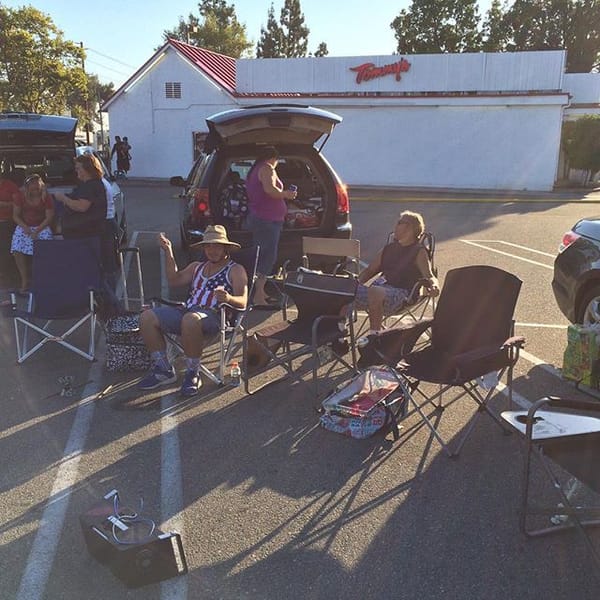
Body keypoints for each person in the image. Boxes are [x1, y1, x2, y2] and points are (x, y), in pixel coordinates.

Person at [138, 225, 248, 397]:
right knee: (147, 317)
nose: (212, 250)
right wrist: (168, 251)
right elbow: (174, 280)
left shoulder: (235, 270)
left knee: (190, 319)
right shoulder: (197, 266)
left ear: (226, 247)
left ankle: (192, 373)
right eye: (208, 246)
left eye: (217, 245)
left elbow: (243, 301)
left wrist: (228, 298)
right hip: (187, 311)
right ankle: (164, 369)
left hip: (215, 316)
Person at [356, 210, 439, 334]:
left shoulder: (418, 251)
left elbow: (429, 275)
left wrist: (434, 286)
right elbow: (369, 271)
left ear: (410, 228)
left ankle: (374, 337)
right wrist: (354, 283)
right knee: (344, 289)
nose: (395, 225)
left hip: (403, 295)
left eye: (399, 222)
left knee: (375, 291)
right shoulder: (388, 248)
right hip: (379, 291)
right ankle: (339, 335)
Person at [245, 145, 297, 308]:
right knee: (267, 257)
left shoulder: (255, 169)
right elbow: (270, 190)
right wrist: (286, 194)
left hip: (262, 218)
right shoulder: (267, 168)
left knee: (262, 253)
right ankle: (258, 296)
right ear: (273, 158)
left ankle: (261, 292)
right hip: (267, 220)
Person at [10, 175, 54, 293]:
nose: (35, 190)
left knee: (45, 247)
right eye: (33, 188)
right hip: (25, 226)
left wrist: (37, 230)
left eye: (37, 188)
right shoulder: (20, 197)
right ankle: (25, 280)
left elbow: (49, 217)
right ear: (27, 188)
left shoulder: (46, 197)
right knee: (17, 248)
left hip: (42, 226)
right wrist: (25, 227)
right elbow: (15, 215)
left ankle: (43, 280)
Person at [0, 171, 20, 287]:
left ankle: (10, 278)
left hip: (8, 222)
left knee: (6, 249)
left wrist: (4, 204)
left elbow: (18, 203)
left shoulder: (10, 185)